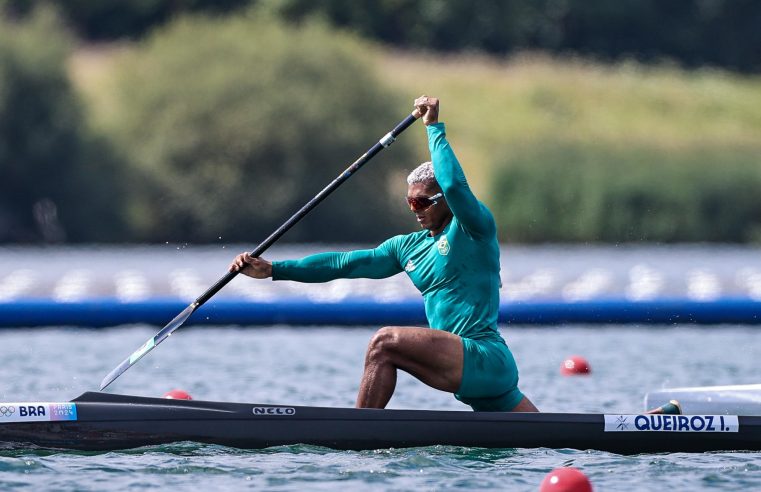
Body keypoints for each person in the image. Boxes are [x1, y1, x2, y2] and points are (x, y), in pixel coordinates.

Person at [229, 95, 538, 412]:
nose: (414, 210)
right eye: (410, 203)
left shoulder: (473, 228)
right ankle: (368, 430)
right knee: (547, 441)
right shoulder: (407, 247)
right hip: (473, 377)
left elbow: (455, 186)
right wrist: (275, 270)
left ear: (444, 200)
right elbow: (343, 264)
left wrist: (433, 127)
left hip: (482, 356)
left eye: (422, 202)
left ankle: (356, 432)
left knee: (383, 343)